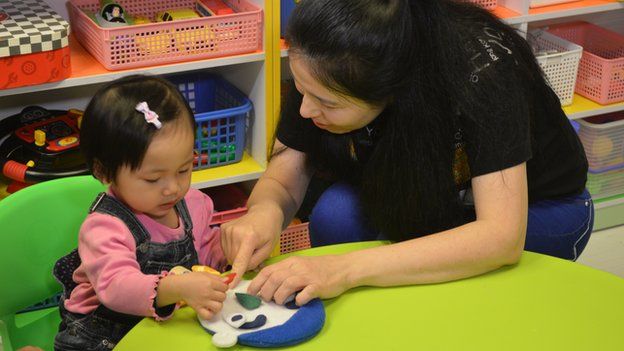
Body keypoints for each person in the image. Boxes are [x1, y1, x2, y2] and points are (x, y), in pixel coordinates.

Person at [221, 0, 593, 306]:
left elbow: (501, 237)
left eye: (326, 103)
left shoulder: (485, 74)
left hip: (539, 211)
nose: (305, 110)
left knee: (451, 299)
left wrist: (345, 269)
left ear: (393, 89)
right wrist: (265, 213)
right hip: (426, 201)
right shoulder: (328, 58)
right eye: (302, 90)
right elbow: (286, 177)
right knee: (338, 215)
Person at [54, 75, 229, 350]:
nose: (173, 188)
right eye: (152, 179)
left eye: (184, 169)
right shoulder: (105, 227)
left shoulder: (195, 204)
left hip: (165, 328)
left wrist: (228, 249)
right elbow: (115, 287)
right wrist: (177, 288)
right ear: (103, 172)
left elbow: (204, 253)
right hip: (102, 337)